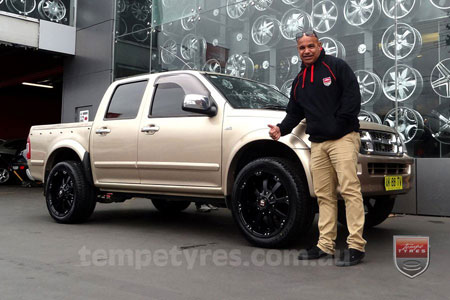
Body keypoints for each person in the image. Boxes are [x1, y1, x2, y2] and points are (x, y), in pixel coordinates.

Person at [268, 30, 366, 267]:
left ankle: (356, 246)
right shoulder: (299, 80)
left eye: (311, 46)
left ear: (320, 46)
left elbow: (353, 97)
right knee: (324, 195)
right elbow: (295, 111)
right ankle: (325, 244)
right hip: (318, 144)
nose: (307, 51)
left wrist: (338, 123)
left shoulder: (336, 66)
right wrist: (282, 129)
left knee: (350, 190)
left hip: (343, 138)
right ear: (298, 51)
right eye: (302, 48)